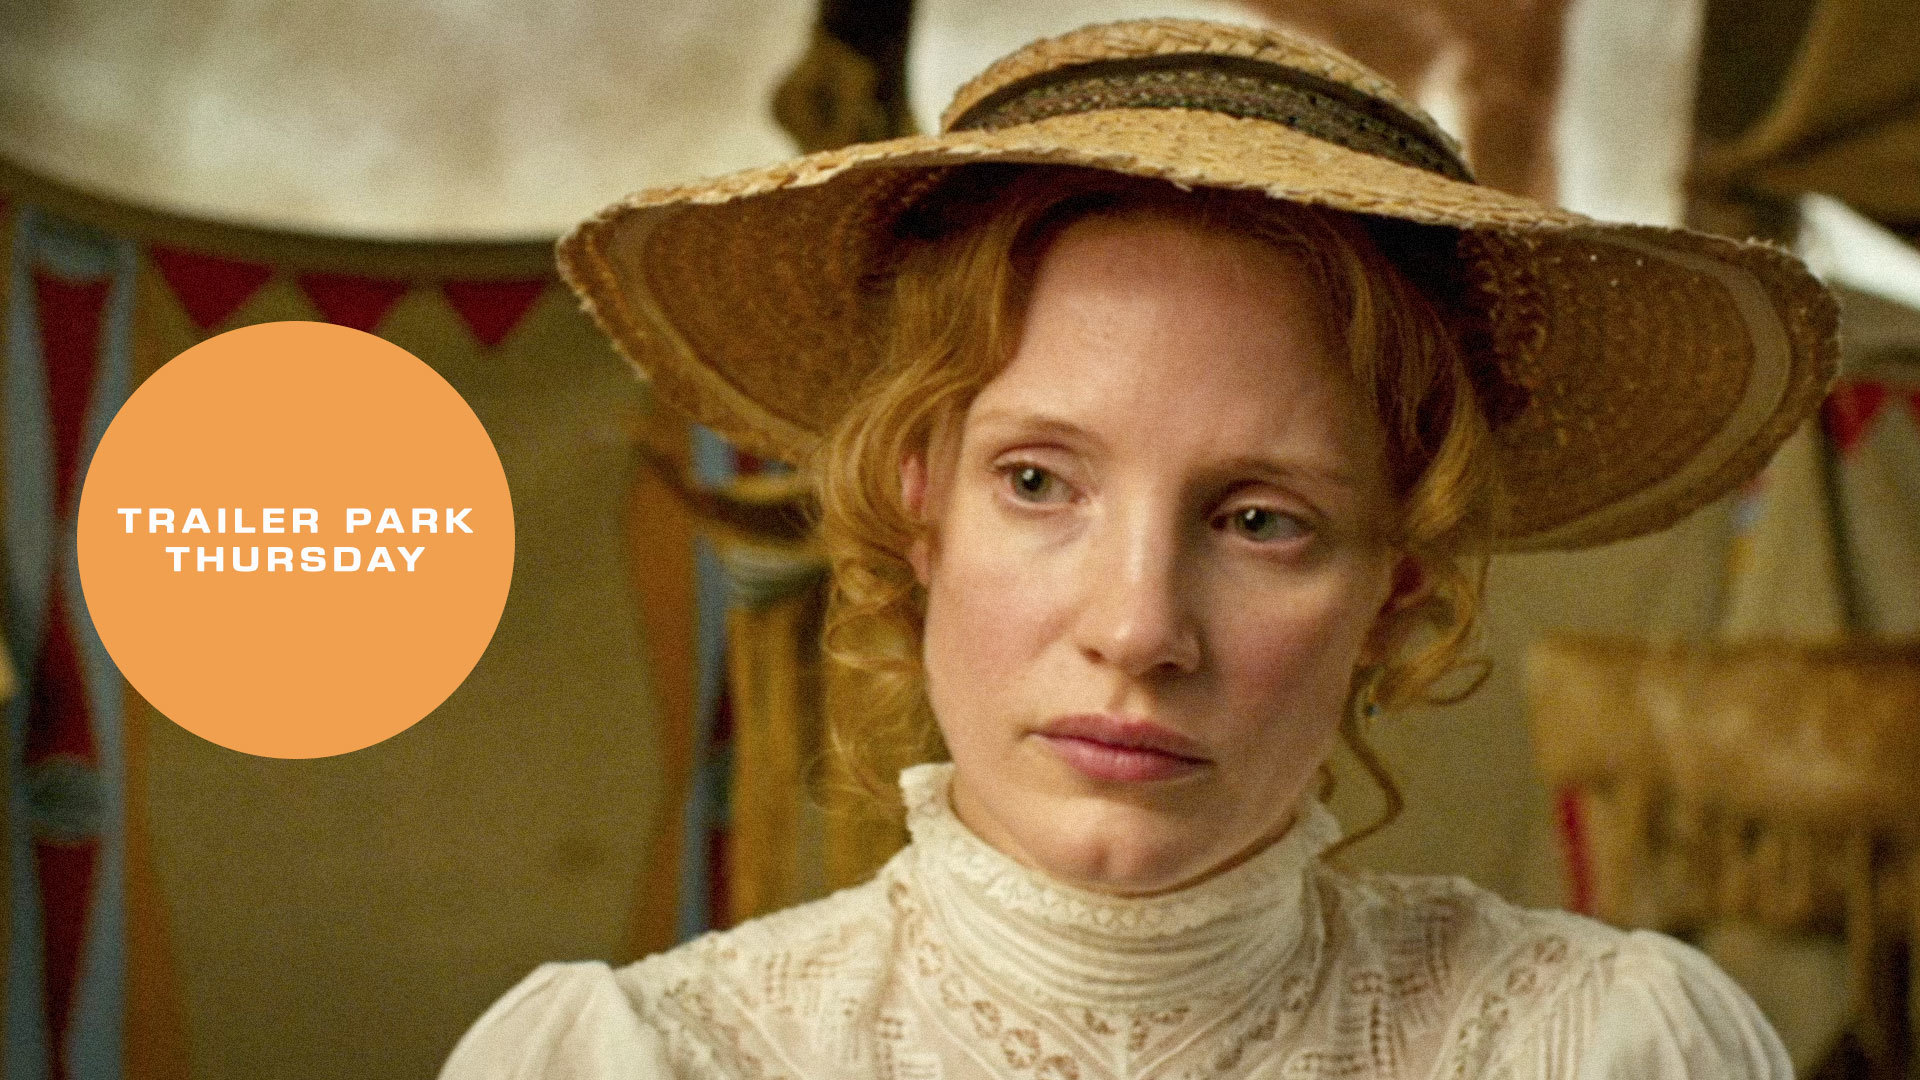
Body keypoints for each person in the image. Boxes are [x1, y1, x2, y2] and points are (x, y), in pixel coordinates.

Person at [443, 18, 1836, 1079]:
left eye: (1261, 520)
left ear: (1397, 585)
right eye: (1039, 482)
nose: (1137, 628)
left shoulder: (1603, 1049)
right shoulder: (640, 1060)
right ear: (921, 509)